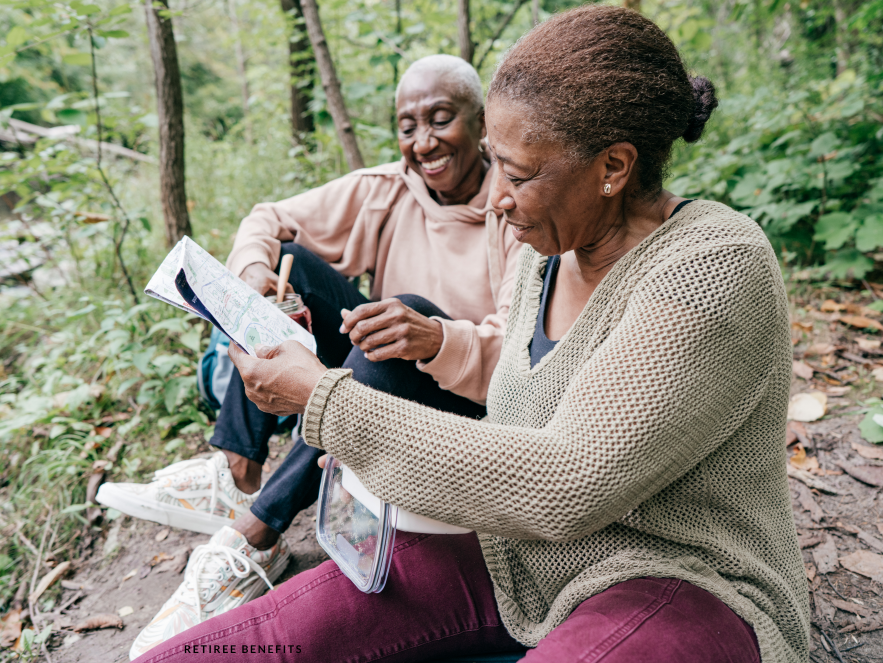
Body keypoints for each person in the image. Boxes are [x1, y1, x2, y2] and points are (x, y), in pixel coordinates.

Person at [135, 7, 810, 663]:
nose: (497, 198)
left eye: (515, 175)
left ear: (613, 168)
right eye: (498, 166)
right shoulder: (544, 253)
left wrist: (326, 401)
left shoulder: (712, 267)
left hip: (682, 579)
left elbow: (567, 480)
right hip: (520, 557)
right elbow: (518, 391)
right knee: (228, 646)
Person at [98, 54, 522, 660]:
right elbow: (268, 218)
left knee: (394, 321)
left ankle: (257, 533)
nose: (423, 142)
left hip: (460, 400)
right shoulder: (386, 191)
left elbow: (517, 359)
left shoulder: (517, 210)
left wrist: (432, 336)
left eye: (441, 119)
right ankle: (237, 470)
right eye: (408, 126)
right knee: (306, 273)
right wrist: (255, 277)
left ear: (480, 123)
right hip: (374, 369)